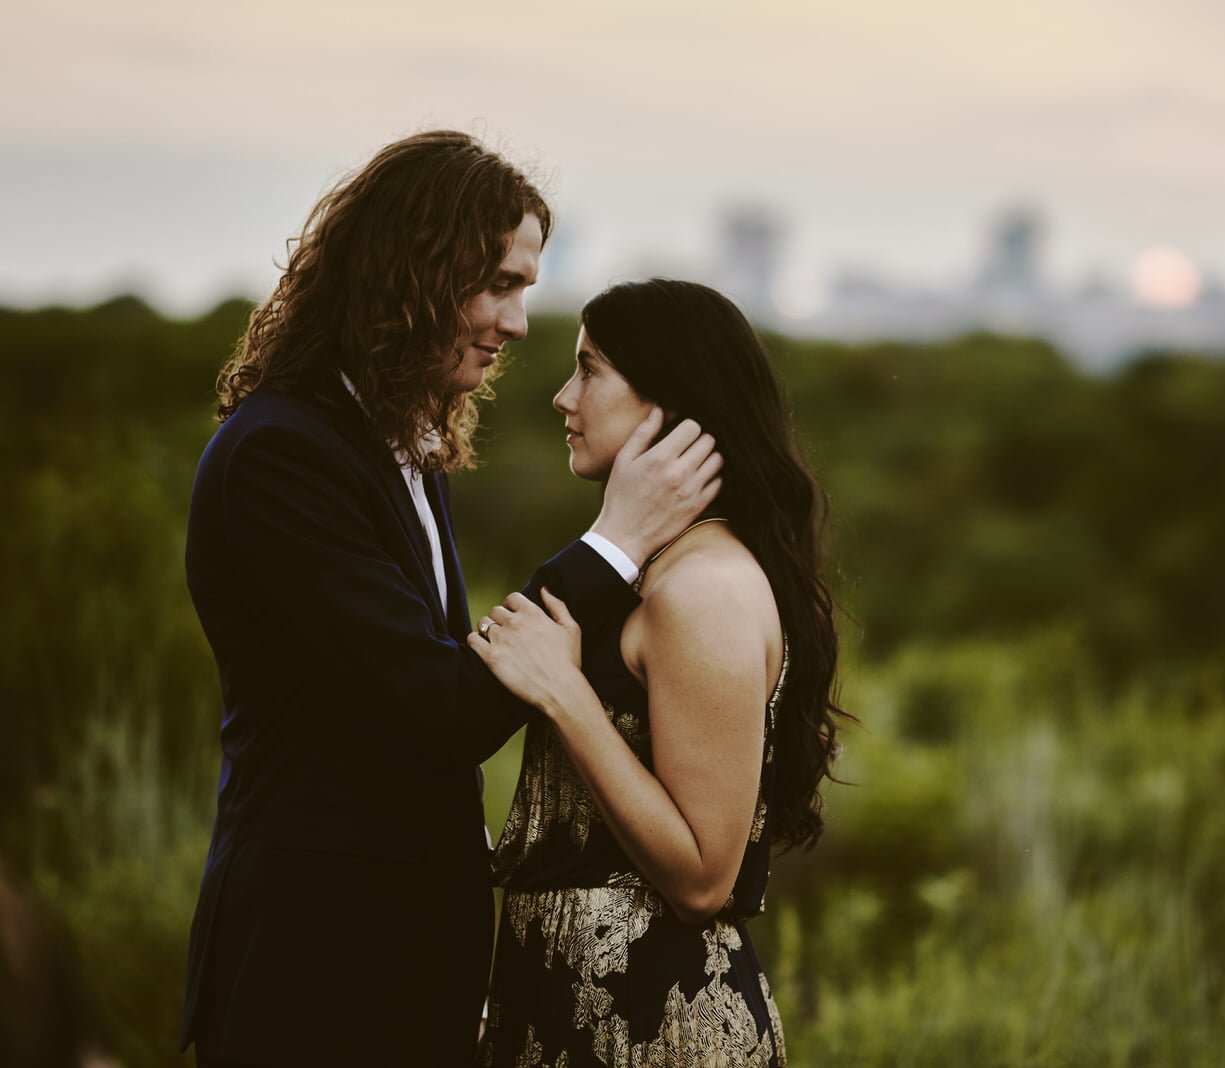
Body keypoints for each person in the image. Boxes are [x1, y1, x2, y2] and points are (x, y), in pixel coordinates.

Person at [180, 133, 722, 1068]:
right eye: (499, 285)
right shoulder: (282, 456)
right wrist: (616, 542)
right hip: (318, 966)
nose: (517, 323)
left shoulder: (403, 445)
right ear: (411, 275)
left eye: (525, 289)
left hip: (408, 963)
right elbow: (440, 710)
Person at [469, 279, 848, 1067]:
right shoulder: (658, 573)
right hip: (572, 1011)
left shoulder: (700, 587)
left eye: (590, 369)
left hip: (654, 1024)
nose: (562, 396)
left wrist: (566, 695)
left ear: (665, 401)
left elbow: (706, 878)